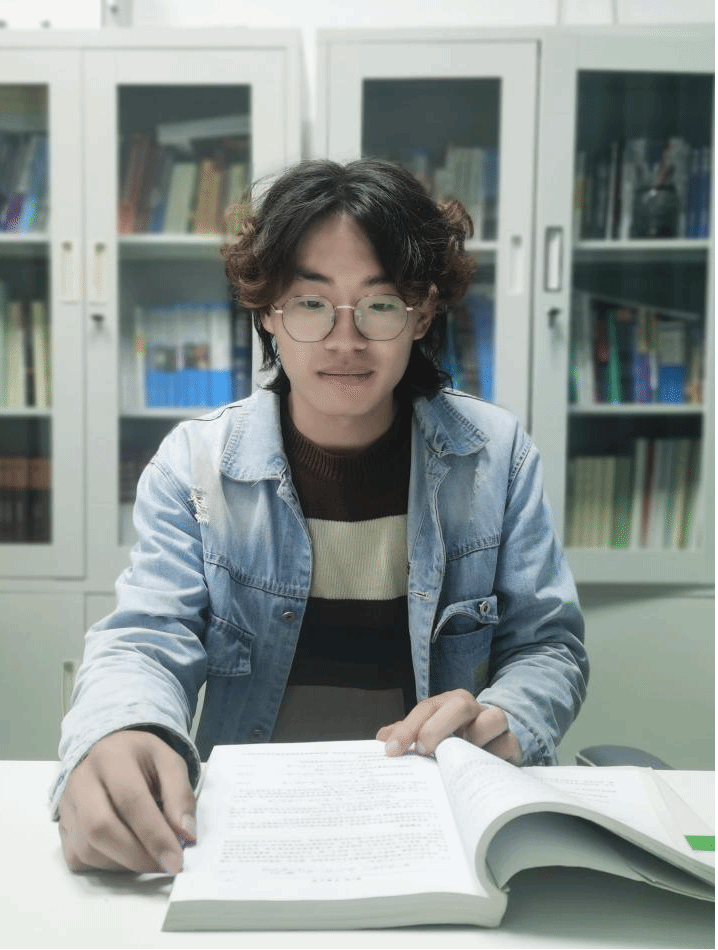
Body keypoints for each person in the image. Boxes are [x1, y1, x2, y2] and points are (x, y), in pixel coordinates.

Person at [54, 158, 588, 876]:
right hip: (248, 827)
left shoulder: (495, 459)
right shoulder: (195, 465)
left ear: (422, 312)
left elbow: (548, 647)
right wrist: (120, 728)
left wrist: (507, 718)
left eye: (380, 304)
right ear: (267, 312)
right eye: (311, 303)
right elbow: (146, 639)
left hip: (430, 820)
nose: (345, 340)